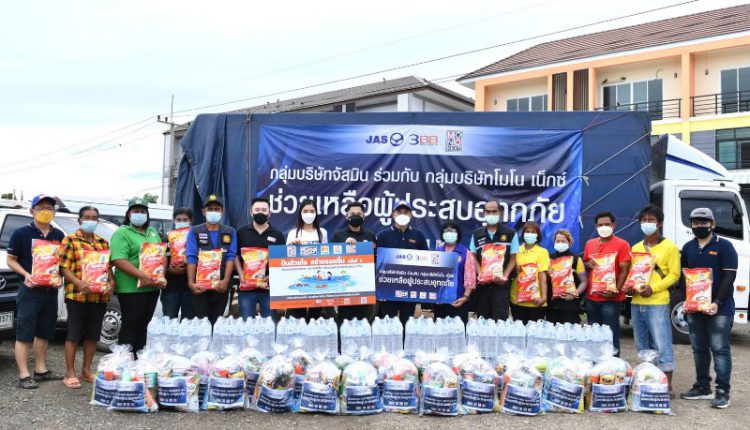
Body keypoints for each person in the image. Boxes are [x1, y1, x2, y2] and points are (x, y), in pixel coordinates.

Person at [679, 208, 737, 409]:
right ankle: (703, 387)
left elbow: (729, 277)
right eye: (695, 223)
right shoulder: (688, 247)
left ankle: (722, 392)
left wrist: (716, 302)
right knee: (699, 349)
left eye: (704, 222)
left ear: (712, 224)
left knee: (720, 349)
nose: (699, 226)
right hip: (695, 308)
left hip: (719, 308)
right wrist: (687, 300)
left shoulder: (725, 246)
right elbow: (684, 278)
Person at [6, 194, 65, 389]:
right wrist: (26, 274)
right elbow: (11, 260)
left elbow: (60, 263)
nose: (45, 211)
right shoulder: (21, 233)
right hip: (29, 290)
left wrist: (59, 278)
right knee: (24, 333)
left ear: (54, 212)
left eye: (49, 208)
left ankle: (41, 370)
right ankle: (24, 375)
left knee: (44, 332)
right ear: (32, 211)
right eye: (41, 208)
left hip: (50, 291)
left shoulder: (58, 235)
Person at [58, 206, 114, 389]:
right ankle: (70, 373)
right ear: (80, 220)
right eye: (87, 217)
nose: (91, 221)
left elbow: (107, 268)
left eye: (94, 218)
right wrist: (78, 282)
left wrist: (111, 283)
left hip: (99, 297)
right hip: (77, 295)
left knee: (92, 335)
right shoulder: (70, 240)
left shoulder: (103, 243)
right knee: (73, 335)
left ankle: (86, 370)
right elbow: (63, 267)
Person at [626, 205, 679, 394]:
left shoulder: (670, 247)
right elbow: (634, 273)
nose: (646, 224)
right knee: (642, 345)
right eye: (643, 220)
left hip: (657, 303)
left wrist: (653, 288)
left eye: (651, 220)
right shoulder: (636, 248)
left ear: (660, 223)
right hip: (637, 302)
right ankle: (649, 380)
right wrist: (630, 286)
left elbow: (674, 275)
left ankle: (667, 385)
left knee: (662, 344)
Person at [110, 198, 167, 355]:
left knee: (144, 325)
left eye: (143, 211)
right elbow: (118, 260)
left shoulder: (152, 232)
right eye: (136, 211)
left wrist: (161, 275)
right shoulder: (122, 232)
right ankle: (124, 361)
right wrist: (141, 275)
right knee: (131, 325)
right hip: (130, 289)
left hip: (152, 288)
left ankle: (139, 361)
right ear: (129, 214)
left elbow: (161, 255)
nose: (140, 214)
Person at [582, 211, 631, 356]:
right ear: (596, 226)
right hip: (592, 298)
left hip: (611, 299)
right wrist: (587, 264)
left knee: (611, 335)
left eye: (607, 224)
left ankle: (614, 365)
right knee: (594, 336)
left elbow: (624, 270)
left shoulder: (622, 244)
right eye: (600, 225)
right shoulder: (590, 244)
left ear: (614, 225)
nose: (604, 227)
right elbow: (585, 265)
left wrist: (616, 289)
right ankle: (596, 363)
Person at [375, 200, 429, 326]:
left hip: (410, 288)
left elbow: (426, 261)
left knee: (407, 323)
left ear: (411, 215)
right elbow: (377, 262)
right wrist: (380, 288)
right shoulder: (383, 235)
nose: (403, 214)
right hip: (388, 289)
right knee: (389, 324)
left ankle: (406, 339)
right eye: (399, 212)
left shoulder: (418, 235)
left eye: (406, 212)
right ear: (393, 214)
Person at [186, 195, 237, 325]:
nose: (213, 212)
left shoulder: (230, 232)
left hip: (221, 286)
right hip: (200, 287)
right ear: (203, 212)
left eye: (216, 209)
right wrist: (191, 283)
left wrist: (225, 281)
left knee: (217, 323)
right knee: (202, 324)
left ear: (222, 212)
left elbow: (230, 256)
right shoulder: (195, 231)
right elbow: (191, 257)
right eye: (210, 209)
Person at [235, 198, 285, 319]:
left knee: (269, 324)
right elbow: (235, 255)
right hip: (246, 289)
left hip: (269, 289)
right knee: (247, 323)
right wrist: (241, 274)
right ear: (251, 212)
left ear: (269, 213)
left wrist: (270, 276)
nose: (260, 212)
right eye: (257, 210)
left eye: (264, 210)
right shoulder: (241, 232)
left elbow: (282, 261)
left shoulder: (277, 235)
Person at [469, 200, 519, 320]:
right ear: (484, 213)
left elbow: (513, 259)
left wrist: (504, 276)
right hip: (483, 286)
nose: (491, 214)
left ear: (500, 212)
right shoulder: (476, 234)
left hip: (501, 286)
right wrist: (480, 272)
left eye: (494, 211)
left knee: (500, 320)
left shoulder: (510, 233)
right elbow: (472, 256)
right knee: (483, 321)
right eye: (488, 212)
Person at [331, 202, 377, 323]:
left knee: (362, 322)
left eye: (359, 214)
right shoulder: (338, 235)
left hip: (364, 288)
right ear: (347, 216)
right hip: (344, 288)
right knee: (344, 322)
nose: (355, 216)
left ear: (364, 216)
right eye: (352, 214)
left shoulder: (370, 236)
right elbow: (330, 260)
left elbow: (374, 259)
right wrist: (344, 247)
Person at [286, 199, 329, 321]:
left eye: (312, 211)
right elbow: (286, 257)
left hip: (317, 280)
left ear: (316, 213)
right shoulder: (293, 233)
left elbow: (326, 255)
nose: (308, 214)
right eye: (305, 211)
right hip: (299, 279)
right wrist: (292, 245)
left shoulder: (322, 233)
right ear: (300, 213)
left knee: (315, 316)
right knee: (299, 315)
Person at [434, 220, 476, 324]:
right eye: (446, 231)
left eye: (452, 231)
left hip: (459, 301)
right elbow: (431, 276)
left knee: (458, 332)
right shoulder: (437, 252)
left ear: (458, 234)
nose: (449, 233)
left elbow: (470, 279)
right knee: (439, 330)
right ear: (442, 234)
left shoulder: (466, 253)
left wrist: (465, 297)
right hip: (439, 302)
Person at [510, 221, 549, 324]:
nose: (530, 234)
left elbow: (542, 275)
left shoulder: (543, 252)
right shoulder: (516, 251)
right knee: (519, 332)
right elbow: (510, 271)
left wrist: (544, 297)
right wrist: (514, 271)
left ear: (538, 235)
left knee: (534, 332)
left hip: (536, 301)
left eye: (533, 232)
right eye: (527, 232)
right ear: (523, 234)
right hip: (516, 300)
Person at [545, 229, 587, 324]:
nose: (560, 243)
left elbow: (584, 282)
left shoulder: (576, 259)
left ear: (569, 242)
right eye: (558, 241)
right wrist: (548, 274)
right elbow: (545, 281)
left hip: (570, 306)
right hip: (552, 306)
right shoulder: (549, 259)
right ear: (554, 242)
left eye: (563, 241)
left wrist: (573, 295)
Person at [162, 207, 194, 319]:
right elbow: (160, 262)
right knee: (169, 321)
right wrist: (170, 271)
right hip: (170, 287)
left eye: (185, 220)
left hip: (190, 288)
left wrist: (188, 269)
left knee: (188, 323)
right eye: (178, 220)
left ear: (191, 221)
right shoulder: (167, 237)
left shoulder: (195, 237)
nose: (181, 222)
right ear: (174, 221)